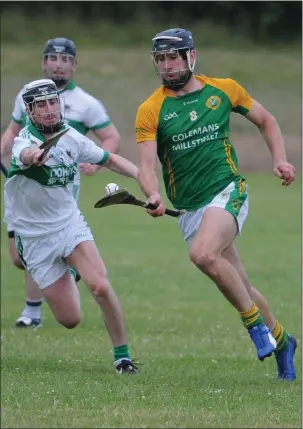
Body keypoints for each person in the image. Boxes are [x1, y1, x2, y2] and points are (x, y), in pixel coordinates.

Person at [135, 28, 297, 381]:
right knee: (241, 284)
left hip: (228, 190)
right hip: (191, 208)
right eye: (161, 59)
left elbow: (266, 120)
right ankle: (284, 342)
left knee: (203, 255)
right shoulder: (151, 109)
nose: (167, 65)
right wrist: (154, 194)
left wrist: (280, 159)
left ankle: (255, 327)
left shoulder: (224, 89)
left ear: (191, 57)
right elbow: (146, 166)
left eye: (173, 57)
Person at [4, 78, 139, 374]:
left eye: (53, 102)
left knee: (100, 286)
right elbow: (25, 155)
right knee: (70, 319)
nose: (49, 110)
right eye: (41, 105)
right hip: (35, 237)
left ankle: (123, 357)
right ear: (30, 111)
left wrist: (144, 179)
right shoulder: (23, 143)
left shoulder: (72, 138)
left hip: (68, 225)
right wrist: (34, 156)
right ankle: (72, 270)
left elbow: (110, 158)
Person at [0, 37, 120, 328]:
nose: (58, 64)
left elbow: (111, 137)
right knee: (17, 257)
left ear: (74, 65)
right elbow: (13, 131)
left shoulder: (86, 104)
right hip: (25, 181)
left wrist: (96, 162)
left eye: (65, 59)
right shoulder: (26, 95)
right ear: (43, 63)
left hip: (60, 188)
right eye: (53, 58)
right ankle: (62, 275)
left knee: (43, 238)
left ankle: (33, 311)